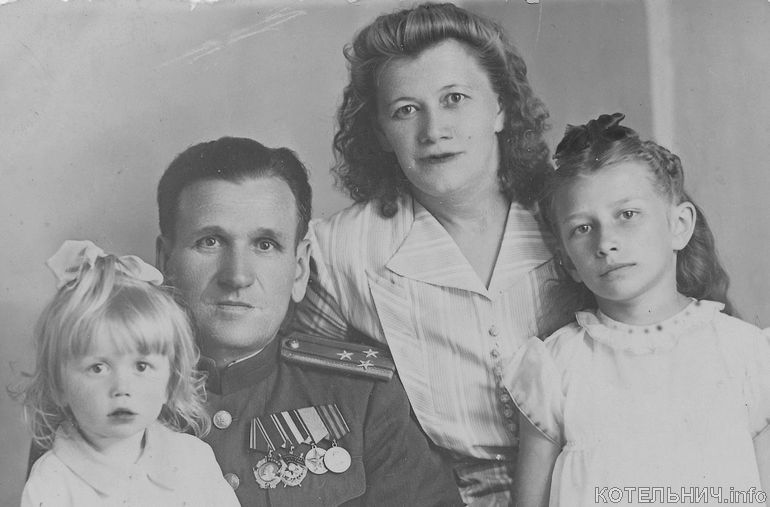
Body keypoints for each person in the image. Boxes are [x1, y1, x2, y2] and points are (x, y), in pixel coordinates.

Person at [293, 3, 574, 503]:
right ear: (381, 132)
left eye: (455, 99)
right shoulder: (341, 251)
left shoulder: (570, 217)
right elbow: (301, 390)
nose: (433, 130)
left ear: (500, 108)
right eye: (406, 109)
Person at [155, 136, 462, 506]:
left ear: (299, 269)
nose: (237, 276)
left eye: (265, 245)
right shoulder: (112, 388)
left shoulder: (362, 396)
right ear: (165, 261)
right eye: (210, 241)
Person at [507, 113, 770, 506]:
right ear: (567, 262)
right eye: (582, 228)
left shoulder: (747, 356)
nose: (605, 243)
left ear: (679, 225)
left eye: (627, 215)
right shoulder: (556, 368)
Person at [16, 240, 239, 506]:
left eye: (141, 366)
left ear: (170, 382)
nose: (122, 387)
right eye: (98, 368)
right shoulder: (52, 482)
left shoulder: (194, 460)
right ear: (59, 386)